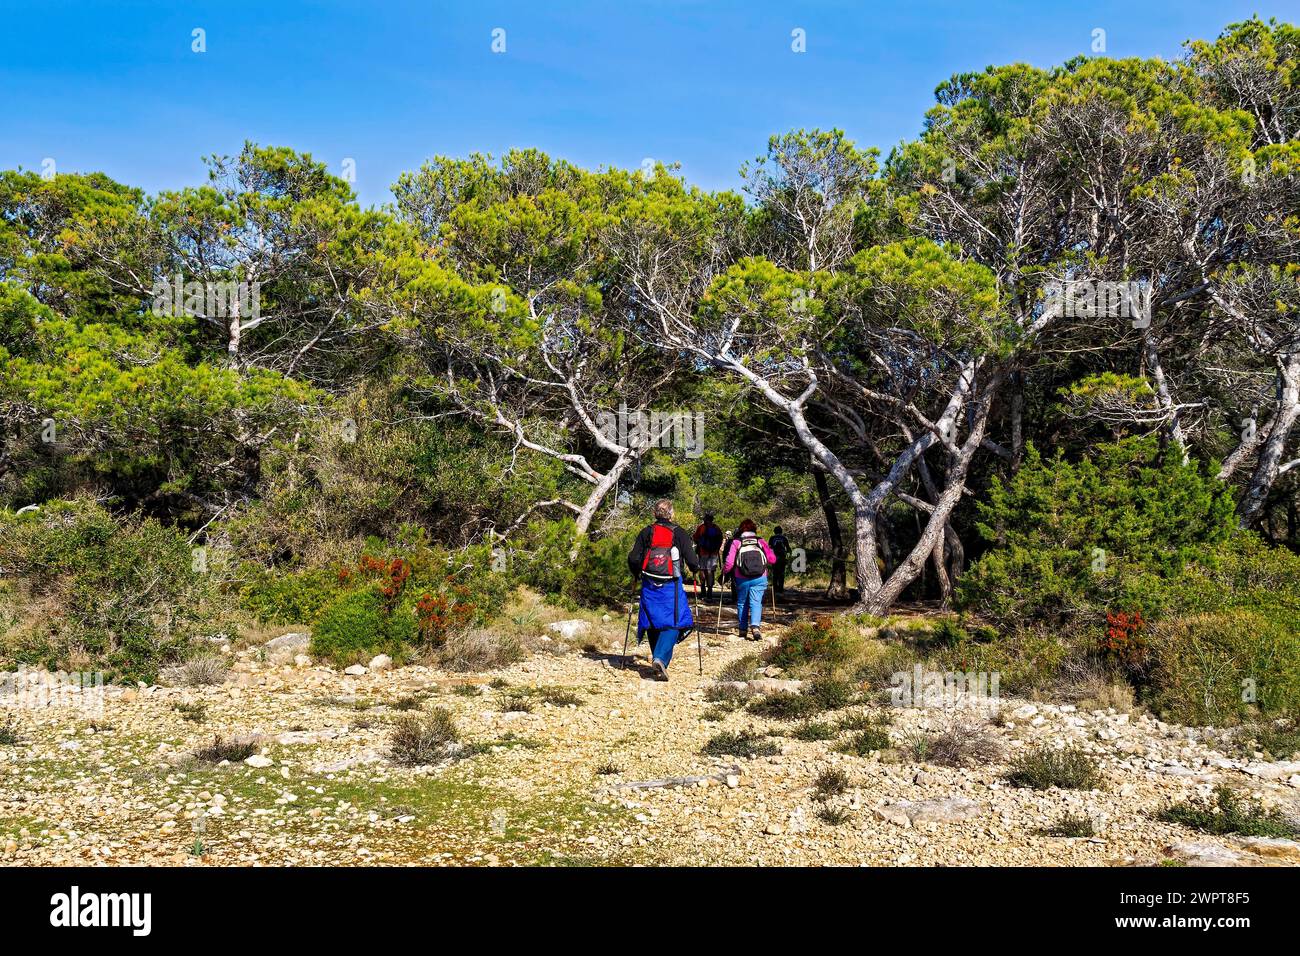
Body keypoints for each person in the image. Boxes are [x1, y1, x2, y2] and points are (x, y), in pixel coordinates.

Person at [627, 499, 700, 680]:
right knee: (676, 620)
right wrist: (696, 570)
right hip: (671, 584)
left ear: (654, 514)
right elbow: (692, 560)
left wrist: (636, 574)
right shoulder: (679, 533)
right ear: (671, 514)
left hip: (649, 583)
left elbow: (634, 558)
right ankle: (659, 658)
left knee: (652, 619)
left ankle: (657, 658)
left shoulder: (646, 532)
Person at [722, 518, 777, 641]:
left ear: (741, 530)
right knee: (756, 602)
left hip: (742, 577)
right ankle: (755, 627)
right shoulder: (760, 541)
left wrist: (724, 572)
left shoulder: (737, 542)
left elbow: (729, 563)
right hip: (760, 576)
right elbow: (772, 559)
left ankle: (742, 629)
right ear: (754, 529)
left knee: (742, 602)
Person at [692, 513, 724, 599]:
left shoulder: (701, 527)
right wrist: (716, 549)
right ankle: (710, 592)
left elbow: (695, 538)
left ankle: (703, 592)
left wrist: (700, 544)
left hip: (703, 553)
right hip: (713, 554)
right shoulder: (716, 528)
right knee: (711, 572)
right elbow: (720, 539)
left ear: (705, 519)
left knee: (702, 571)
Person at [769, 525, 791, 594]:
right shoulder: (784, 538)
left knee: (775, 574)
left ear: (774, 531)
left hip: (774, 558)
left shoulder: (772, 538)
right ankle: (781, 589)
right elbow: (788, 549)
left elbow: (769, 548)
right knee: (781, 573)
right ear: (781, 531)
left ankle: (775, 589)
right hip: (782, 558)